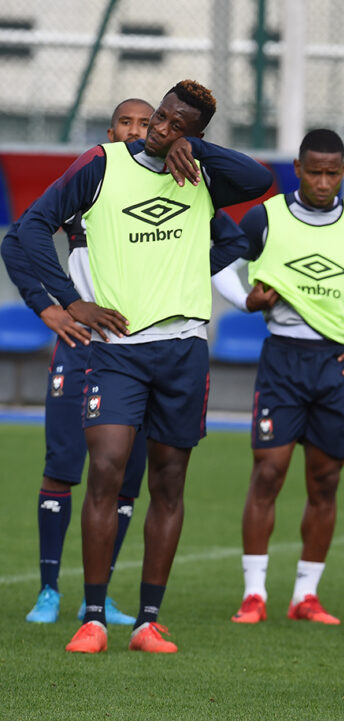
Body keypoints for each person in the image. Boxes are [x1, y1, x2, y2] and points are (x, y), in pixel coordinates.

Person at [19, 79, 272, 654]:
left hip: (183, 348)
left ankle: (147, 621)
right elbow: (33, 225)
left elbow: (261, 181)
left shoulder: (203, 172)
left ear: (194, 135)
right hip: (116, 350)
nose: (159, 129)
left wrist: (198, 151)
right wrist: (66, 298)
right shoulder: (101, 163)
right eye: (159, 117)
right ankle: (92, 618)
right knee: (106, 470)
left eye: (175, 126)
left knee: (168, 482)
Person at [215, 128, 344, 626]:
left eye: (331, 172)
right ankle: (254, 594)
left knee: (325, 480)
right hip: (282, 360)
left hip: (336, 362)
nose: (322, 181)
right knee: (268, 472)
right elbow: (217, 264)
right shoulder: (266, 217)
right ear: (297, 168)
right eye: (313, 171)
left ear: (343, 172)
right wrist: (245, 300)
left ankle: (306, 596)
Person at [1, 99, 155, 626]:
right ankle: (48, 591)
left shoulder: (167, 191)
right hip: (82, 350)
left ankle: (103, 593)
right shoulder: (84, 185)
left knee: (126, 476)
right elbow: (17, 241)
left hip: (140, 352)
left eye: (145, 123)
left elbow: (216, 244)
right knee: (63, 467)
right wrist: (49, 306)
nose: (136, 132)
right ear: (110, 132)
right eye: (126, 124)